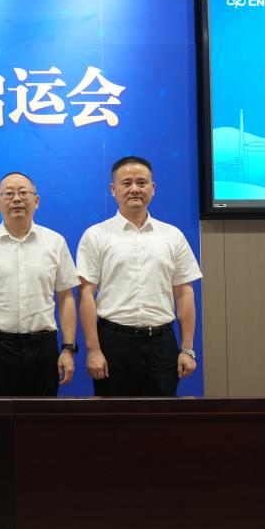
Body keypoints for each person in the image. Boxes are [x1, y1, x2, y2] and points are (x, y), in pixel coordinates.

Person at [77, 156, 203, 396]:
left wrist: (187, 349)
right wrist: (93, 350)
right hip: (113, 344)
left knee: (162, 416)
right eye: (126, 183)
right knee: (114, 416)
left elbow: (185, 293)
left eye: (141, 183)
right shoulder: (96, 235)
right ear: (113, 189)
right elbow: (86, 294)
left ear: (152, 188)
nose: (134, 189)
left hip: (162, 344)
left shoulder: (172, 236)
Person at [0, 172, 78, 397]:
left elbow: (66, 298)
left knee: (41, 416)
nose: (16, 198)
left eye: (23, 192)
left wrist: (67, 349)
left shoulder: (55, 242)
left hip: (43, 348)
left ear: (36, 201)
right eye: (9, 194)